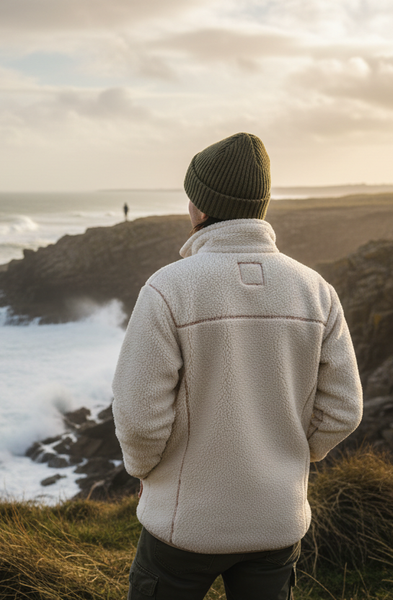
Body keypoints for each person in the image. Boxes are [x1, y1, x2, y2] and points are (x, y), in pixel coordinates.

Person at [112, 132, 363, 600]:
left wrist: (148, 474)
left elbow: (138, 415)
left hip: (183, 525)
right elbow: (344, 410)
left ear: (202, 207)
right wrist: (289, 456)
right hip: (277, 522)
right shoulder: (315, 291)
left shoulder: (168, 289)